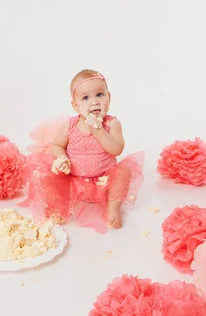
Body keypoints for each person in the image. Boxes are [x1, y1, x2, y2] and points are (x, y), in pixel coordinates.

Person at [17, 69, 144, 233]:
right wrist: (62, 158)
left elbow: (116, 149)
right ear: (75, 105)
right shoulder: (70, 125)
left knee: (124, 172)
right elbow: (57, 145)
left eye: (99, 94)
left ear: (109, 97)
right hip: (74, 180)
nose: (94, 102)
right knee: (46, 177)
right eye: (85, 97)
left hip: (104, 180)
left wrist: (98, 130)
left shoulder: (112, 124)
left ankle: (113, 207)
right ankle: (56, 208)